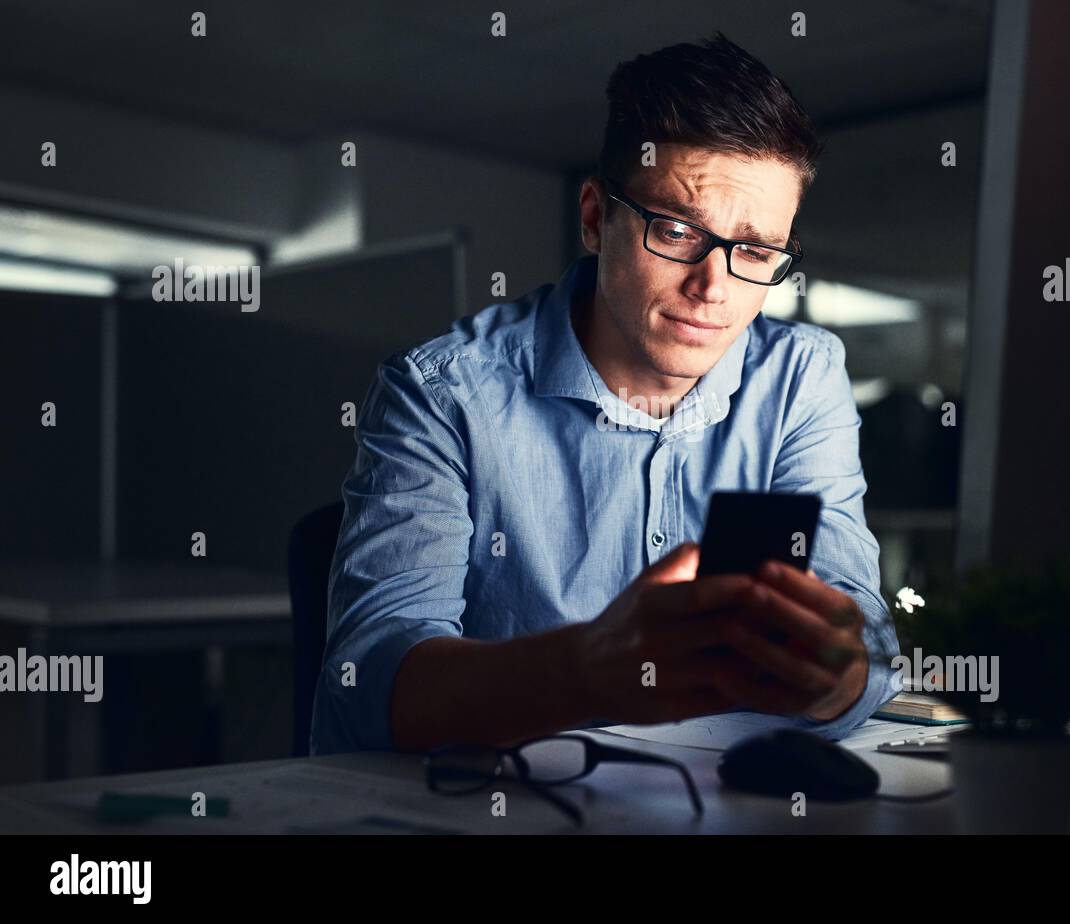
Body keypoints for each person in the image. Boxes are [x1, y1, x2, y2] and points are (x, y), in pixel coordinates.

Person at [312, 32, 900, 754]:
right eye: (678, 230)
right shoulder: (443, 394)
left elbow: (864, 642)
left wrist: (834, 671)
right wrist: (591, 670)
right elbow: (368, 690)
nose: (713, 288)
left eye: (753, 252)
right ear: (595, 218)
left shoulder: (801, 378)